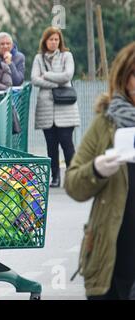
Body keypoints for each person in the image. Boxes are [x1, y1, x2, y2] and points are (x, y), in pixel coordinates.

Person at [65, 42, 135, 300]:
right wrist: (96, 169)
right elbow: (72, 183)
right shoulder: (106, 123)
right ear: (124, 79)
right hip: (110, 262)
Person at [31, 27, 80, 188]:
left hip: (66, 108)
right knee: (51, 146)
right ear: (45, 41)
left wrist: (47, 75)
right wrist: (56, 83)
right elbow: (34, 79)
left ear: (60, 41)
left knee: (67, 144)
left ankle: (72, 178)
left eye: (56, 39)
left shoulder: (67, 56)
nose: (54, 42)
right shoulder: (39, 58)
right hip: (46, 108)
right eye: (51, 39)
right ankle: (55, 177)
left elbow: (68, 76)